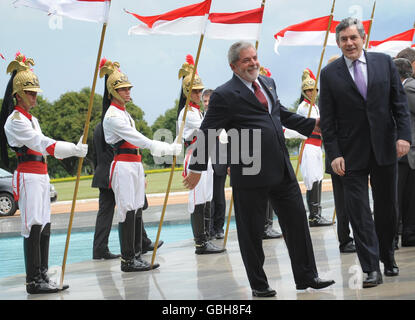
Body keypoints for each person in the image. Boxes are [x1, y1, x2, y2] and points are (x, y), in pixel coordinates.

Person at [184, 41, 335, 297]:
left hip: (281, 169)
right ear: (233, 66)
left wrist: (311, 125)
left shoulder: (268, 82)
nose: (253, 63)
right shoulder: (224, 94)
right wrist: (197, 168)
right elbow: (208, 132)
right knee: (251, 233)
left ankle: (307, 276)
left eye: (254, 57)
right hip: (250, 172)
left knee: (297, 223)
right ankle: (259, 285)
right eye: (246, 60)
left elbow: (280, 113)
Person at [319, 18, 411, 288]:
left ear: (363, 38)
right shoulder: (329, 73)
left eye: (353, 38)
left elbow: (399, 104)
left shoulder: (384, 63)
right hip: (349, 155)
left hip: (385, 149)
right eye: (344, 39)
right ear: (338, 43)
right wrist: (334, 152)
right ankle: (371, 268)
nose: (349, 43)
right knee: (358, 212)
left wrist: (404, 136)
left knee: (387, 210)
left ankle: (388, 256)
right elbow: (328, 119)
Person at [0, 53, 88, 294]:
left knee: (45, 225)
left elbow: (44, 146)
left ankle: (43, 274)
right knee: (33, 226)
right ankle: (33, 280)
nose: (34, 96)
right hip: (27, 175)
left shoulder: (33, 119)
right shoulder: (15, 121)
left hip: (41, 174)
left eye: (36, 92)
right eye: (30, 92)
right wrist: (72, 148)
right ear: (18, 94)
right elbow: (41, 143)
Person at [99, 58, 181, 272]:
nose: (128, 92)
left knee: (136, 210)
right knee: (127, 210)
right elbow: (138, 139)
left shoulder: (124, 113)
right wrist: (167, 148)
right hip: (123, 165)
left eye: (128, 88)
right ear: (113, 92)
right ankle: (128, 259)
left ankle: (136, 255)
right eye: (123, 89)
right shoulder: (112, 116)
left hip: (133, 164)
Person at [91, 122, 163, 260]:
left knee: (108, 213)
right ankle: (139, 243)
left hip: (104, 172)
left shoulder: (98, 127)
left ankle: (100, 248)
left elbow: (96, 154)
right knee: (133, 208)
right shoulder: (115, 125)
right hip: (119, 170)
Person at [177, 55, 225, 254]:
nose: (198, 93)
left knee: (206, 197)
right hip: (195, 154)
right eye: (195, 91)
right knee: (198, 200)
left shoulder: (197, 111)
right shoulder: (188, 113)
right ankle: (200, 242)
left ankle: (206, 238)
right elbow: (209, 128)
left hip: (206, 155)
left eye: (199, 90)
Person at [284, 68, 333, 227]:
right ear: (304, 92)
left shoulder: (315, 107)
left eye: (314, 89)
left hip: (317, 146)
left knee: (319, 177)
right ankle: (313, 215)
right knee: (312, 179)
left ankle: (317, 213)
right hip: (309, 145)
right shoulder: (303, 108)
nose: (312, 92)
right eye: (308, 90)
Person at [323, 55, 355, 253]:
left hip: (355, 153)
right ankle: (345, 239)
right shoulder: (329, 94)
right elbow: (329, 127)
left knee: (355, 201)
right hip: (339, 155)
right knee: (343, 202)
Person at [393, 57, 415, 247]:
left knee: (401, 198)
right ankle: (404, 234)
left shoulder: (407, 88)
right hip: (405, 153)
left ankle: (401, 235)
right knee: (403, 197)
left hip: (406, 152)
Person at [202, 88, 227, 239]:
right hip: (204, 163)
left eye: (209, 101)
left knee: (219, 197)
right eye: (204, 101)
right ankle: (208, 228)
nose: (207, 104)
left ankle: (218, 228)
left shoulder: (222, 119)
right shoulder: (200, 118)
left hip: (220, 163)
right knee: (207, 198)